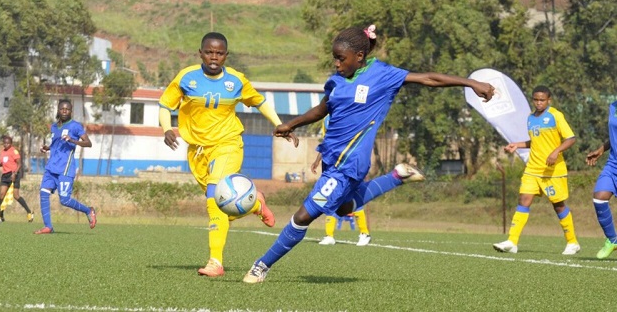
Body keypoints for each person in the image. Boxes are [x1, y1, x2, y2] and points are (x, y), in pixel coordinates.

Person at [242, 24, 496, 283]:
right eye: (335, 57)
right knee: (343, 209)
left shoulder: (382, 75)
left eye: (341, 58)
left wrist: (471, 83)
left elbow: (428, 79)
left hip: (350, 163)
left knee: (304, 215)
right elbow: (322, 109)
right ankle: (396, 177)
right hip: (332, 159)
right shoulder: (337, 80)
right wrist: (291, 124)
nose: (337, 63)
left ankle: (261, 265)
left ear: (359, 56)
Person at [159, 31, 298, 278]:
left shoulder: (236, 80)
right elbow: (165, 104)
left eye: (219, 53)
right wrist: (166, 128)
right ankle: (256, 204)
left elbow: (260, 102)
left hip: (228, 144)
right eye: (209, 52)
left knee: (213, 196)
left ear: (226, 55)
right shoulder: (186, 77)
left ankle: (215, 262)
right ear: (200, 53)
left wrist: (280, 125)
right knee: (221, 206)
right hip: (198, 151)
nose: (214, 57)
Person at [493, 86, 579, 255]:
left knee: (558, 206)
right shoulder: (531, 118)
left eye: (542, 100)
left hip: (552, 171)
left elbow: (571, 138)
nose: (539, 103)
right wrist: (517, 144)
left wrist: (556, 152)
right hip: (533, 168)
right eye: (536, 100)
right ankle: (512, 241)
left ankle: (572, 242)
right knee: (524, 200)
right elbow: (536, 141)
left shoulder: (555, 115)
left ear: (549, 100)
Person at [34, 99, 96, 234]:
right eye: (62, 108)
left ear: (71, 111)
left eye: (67, 109)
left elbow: (88, 143)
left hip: (65, 168)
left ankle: (88, 210)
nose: (64, 111)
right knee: (43, 193)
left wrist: (73, 140)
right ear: (58, 110)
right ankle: (48, 226)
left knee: (65, 200)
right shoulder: (54, 127)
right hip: (51, 167)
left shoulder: (75, 126)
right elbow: (56, 145)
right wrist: (47, 148)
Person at [312, 151, 372, 246]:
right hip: (334, 174)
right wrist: (317, 161)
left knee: (351, 200)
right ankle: (329, 236)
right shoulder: (332, 141)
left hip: (348, 173)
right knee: (331, 203)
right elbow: (325, 146)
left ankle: (364, 234)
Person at [585, 100, 617, 259]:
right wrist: (600, 150)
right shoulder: (613, 106)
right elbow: (614, 135)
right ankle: (612, 240)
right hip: (613, 163)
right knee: (599, 197)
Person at [0, 135, 33, 223]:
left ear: (11, 143)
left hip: (14, 174)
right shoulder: (3, 152)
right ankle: (1, 216)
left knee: (16, 196)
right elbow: (4, 162)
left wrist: (14, 174)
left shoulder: (14, 151)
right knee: (1, 195)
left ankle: (29, 212)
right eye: (5, 143)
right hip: (5, 176)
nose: (6, 144)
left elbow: (19, 164)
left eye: (8, 143)